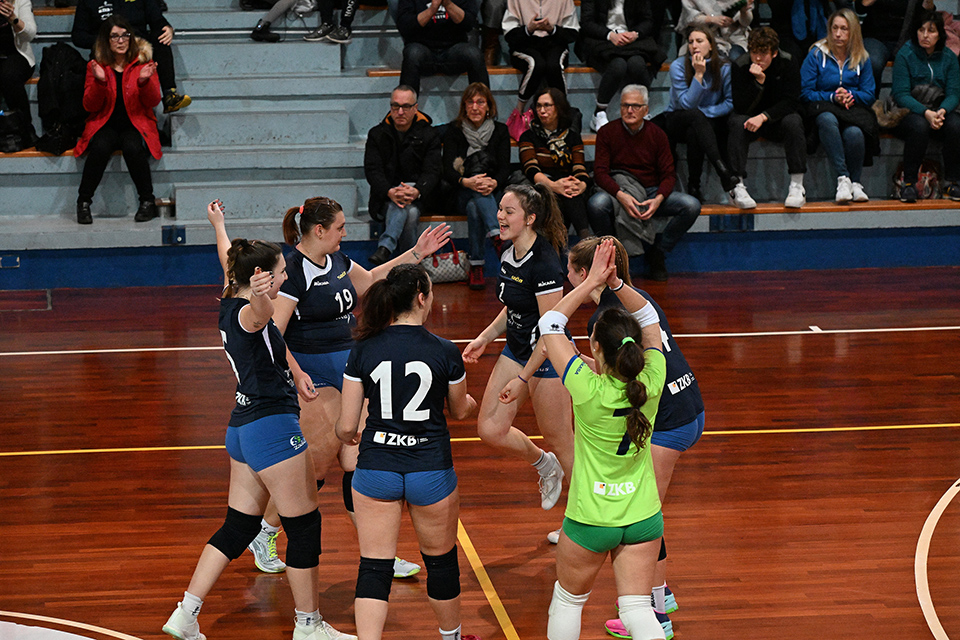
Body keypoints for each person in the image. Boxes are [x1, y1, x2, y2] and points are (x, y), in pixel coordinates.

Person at [162, 202, 355, 640]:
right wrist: (265, 293)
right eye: (280, 273)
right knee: (304, 527)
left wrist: (218, 225)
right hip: (272, 428)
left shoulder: (230, 294)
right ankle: (309, 625)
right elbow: (263, 314)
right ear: (259, 279)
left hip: (242, 427)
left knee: (239, 526)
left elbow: (228, 258)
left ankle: (185, 613)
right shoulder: (252, 310)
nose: (286, 277)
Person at [243, 198, 452, 581]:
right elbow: (273, 332)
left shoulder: (336, 260)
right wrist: (297, 373)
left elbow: (370, 280)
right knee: (316, 467)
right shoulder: (294, 270)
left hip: (350, 375)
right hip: (316, 378)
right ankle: (265, 531)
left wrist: (417, 253)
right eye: (339, 227)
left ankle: (380, 552)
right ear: (318, 230)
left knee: (358, 464)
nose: (344, 233)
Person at [564, 236, 705, 640]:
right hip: (690, 406)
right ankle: (662, 593)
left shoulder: (603, 320)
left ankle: (656, 615)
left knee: (646, 517)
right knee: (646, 513)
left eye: (570, 269)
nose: (566, 275)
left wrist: (564, 364)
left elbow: (611, 381)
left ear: (585, 273)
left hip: (669, 423)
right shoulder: (636, 300)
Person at [335, 263, 481, 640]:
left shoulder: (363, 348)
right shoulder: (445, 351)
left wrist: (353, 438)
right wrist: (471, 404)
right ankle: (451, 636)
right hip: (430, 471)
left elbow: (346, 426)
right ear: (421, 297)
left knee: (374, 567)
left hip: (376, 469)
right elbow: (459, 410)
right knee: (441, 563)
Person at [536, 239, 667, 640]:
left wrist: (591, 281)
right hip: (643, 516)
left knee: (567, 602)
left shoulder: (587, 388)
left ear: (595, 348)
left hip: (591, 517)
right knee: (638, 610)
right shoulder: (653, 379)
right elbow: (650, 318)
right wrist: (617, 283)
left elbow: (550, 325)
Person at [462, 184, 571, 516]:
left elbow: (551, 331)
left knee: (562, 441)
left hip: (548, 357)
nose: (500, 216)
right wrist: (485, 336)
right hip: (517, 349)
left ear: (530, 218)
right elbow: (513, 306)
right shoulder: (508, 253)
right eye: (500, 209)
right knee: (490, 429)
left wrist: (523, 379)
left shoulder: (545, 263)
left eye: (509, 211)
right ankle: (545, 464)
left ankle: (585, 522)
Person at [589, 84, 701, 282]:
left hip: (650, 192)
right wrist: (621, 196)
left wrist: (658, 199)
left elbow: (669, 175)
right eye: (625, 105)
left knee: (691, 206)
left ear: (646, 109)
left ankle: (658, 253)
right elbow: (600, 173)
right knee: (596, 204)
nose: (629, 110)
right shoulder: (607, 132)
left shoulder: (657, 134)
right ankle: (612, 254)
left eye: (635, 106)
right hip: (619, 190)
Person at [74, 16, 161, 225]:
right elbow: (89, 106)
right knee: (100, 146)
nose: (121, 41)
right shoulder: (96, 66)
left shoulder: (144, 63)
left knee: (133, 147)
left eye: (125, 35)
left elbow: (154, 101)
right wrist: (100, 82)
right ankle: (83, 202)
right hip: (105, 123)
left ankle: (147, 201)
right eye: (114, 36)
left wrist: (144, 81)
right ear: (106, 40)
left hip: (136, 124)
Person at [800, 7, 877, 203]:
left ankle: (856, 183)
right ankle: (843, 178)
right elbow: (805, 92)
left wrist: (851, 96)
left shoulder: (862, 57)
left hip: (851, 111)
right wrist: (833, 96)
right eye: (834, 28)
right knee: (827, 119)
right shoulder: (816, 54)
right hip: (824, 108)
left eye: (844, 29)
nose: (838, 34)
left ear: (853, 32)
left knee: (855, 133)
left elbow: (869, 94)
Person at [653, 25, 737, 203]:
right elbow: (686, 104)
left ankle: (694, 186)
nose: (694, 45)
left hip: (706, 121)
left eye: (699, 41)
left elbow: (730, 102)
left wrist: (704, 114)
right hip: (677, 119)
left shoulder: (724, 67)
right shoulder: (678, 66)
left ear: (711, 45)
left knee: (695, 130)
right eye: (691, 42)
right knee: (694, 117)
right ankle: (722, 169)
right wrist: (699, 74)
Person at [727, 26, 807, 209]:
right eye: (754, 53)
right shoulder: (740, 65)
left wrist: (764, 117)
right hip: (750, 120)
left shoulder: (788, 62)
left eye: (763, 54)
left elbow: (791, 101)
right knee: (736, 122)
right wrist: (758, 83)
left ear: (774, 53)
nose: (757, 58)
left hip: (776, 119)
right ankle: (737, 186)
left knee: (794, 121)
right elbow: (740, 107)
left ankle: (797, 185)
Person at [442, 82, 511, 290]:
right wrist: (467, 182)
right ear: (464, 106)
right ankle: (497, 236)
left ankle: (476, 265)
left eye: (480, 102)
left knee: (476, 206)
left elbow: (505, 168)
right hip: (461, 191)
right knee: (474, 200)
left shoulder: (500, 131)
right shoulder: (454, 130)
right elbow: (447, 170)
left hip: (492, 192)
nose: (475, 107)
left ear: (488, 106)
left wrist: (493, 182)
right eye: (470, 102)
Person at [365, 85, 442, 266]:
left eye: (406, 106)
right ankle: (411, 266)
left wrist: (417, 191)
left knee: (411, 210)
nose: (400, 112)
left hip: (420, 196)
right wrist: (390, 192)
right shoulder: (377, 134)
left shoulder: (429, 134)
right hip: (384, 198)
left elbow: (433, 171)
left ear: (415, 108)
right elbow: (372, 170)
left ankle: (386, 247)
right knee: (410, 213)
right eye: (395, 106)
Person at [72, 0, 190, 113]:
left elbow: (157, 19)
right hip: (106, 50)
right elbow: (78, 36)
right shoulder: (88, 1)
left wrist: (167, 28)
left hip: (137, 47)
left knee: (161, 36)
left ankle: (169, 94)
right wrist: (107, 41)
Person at [891, 9, 960, 202]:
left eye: (931, 31)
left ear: (940, 34)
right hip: (908, 111)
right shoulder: (905, 54)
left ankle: (953, 183)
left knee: (955, 125)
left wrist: (942, 111)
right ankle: (909, 184)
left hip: (939, 109)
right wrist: (926, 112)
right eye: (921, 30)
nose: (925, 35)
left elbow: (954, 93)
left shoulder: (949, 57)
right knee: (919, 126)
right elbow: (901, 94)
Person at [576, 0, 665, 132]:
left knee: (637, 64)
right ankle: (599, 112)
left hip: (632, 40)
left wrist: (635, 33)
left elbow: (648, 21)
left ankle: (643, 109)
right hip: (602, 39)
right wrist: (610, 35)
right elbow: (587, 23)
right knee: (618, 65)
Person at [517, 88, 594, 239]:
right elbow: (530, 168)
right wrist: (553, 186)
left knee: (572, 193)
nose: (542, 111)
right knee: (560, 197)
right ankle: (583, 239)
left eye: (547, 105)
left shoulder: (572, 136)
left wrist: (581, 185)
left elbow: (579, 168)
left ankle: (582, 240)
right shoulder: (528, 136)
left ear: (558, 108)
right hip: (541, 185)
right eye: (539, 106)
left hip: (566, 186)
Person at [501, 0, 579, 116]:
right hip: (524, 44)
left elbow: (572, 33)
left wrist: (552, 29)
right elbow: (509, 34)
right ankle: (519, 110)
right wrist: (529, 29)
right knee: (536, 64)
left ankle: (562, 112)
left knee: (554, 65)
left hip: (555, 43)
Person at [395, 0, 489, 95]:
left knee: (474, 54)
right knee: (412, 53)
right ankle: (406, 102)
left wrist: (448, 4)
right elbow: (405, 26)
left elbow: (469, 24)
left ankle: (482, 101)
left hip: (454, 49)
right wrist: (432, 10)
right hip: (423, 49)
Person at [857, 0, 935, 91]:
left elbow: (927, 13)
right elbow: (860, 8)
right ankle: (871, 97)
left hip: (906, 38)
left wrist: (927, 5)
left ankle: (906, 97)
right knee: (873, 62)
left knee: (918, 62)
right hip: (876, 37)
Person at [0, 0, 38, 147]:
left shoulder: (21, 1)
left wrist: (13, 19)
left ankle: (25, 129)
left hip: (17, 55)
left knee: (9, 75)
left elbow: (30, 34)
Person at [677, 0, 754, 61]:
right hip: (705, 37)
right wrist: (711, 19)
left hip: (734, 38)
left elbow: (746, 23)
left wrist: (744, 12)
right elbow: (689, 19)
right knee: (688, 60)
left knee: (736, 58)